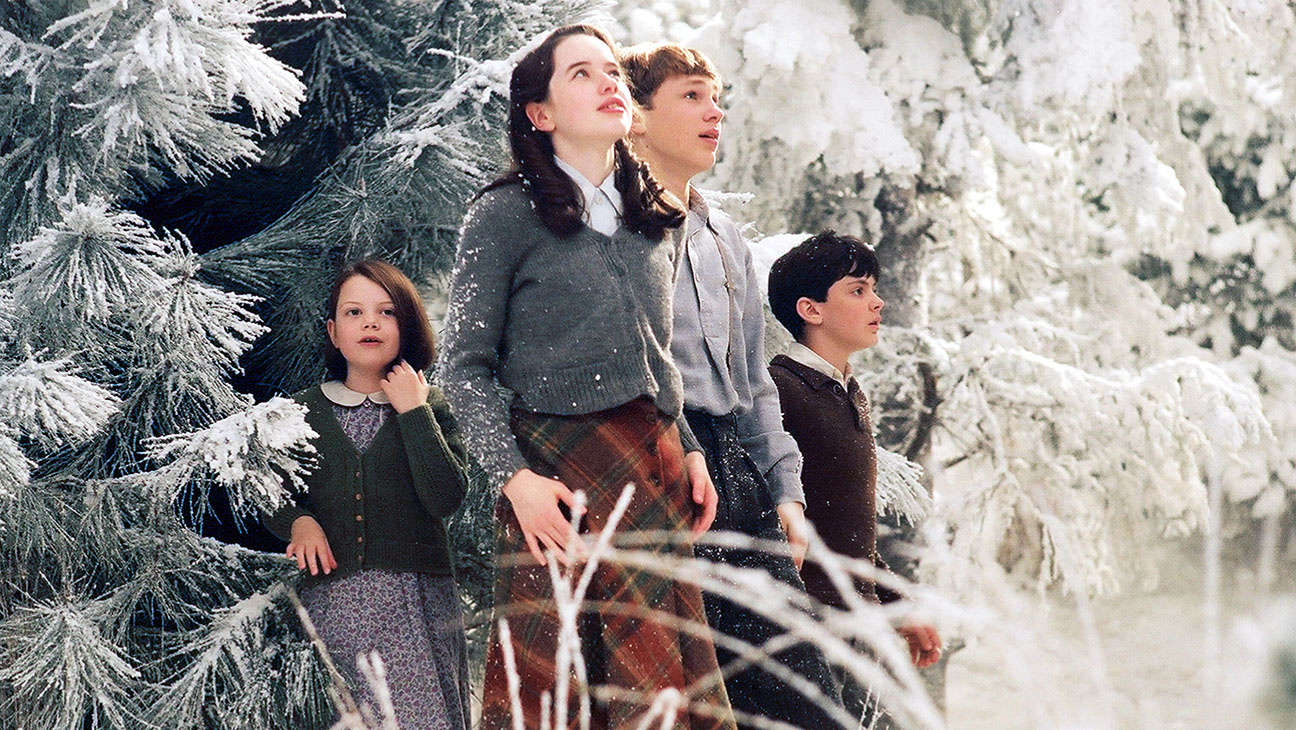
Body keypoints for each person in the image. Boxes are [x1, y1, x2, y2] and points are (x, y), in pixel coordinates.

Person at [438, 24, 735, 730]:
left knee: (662, 695)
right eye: (580, 74)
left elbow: (658, 360)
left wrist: (688, 445)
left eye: (611, 71)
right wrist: (516, 480)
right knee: (559, 701)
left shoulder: (659, 217)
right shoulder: (503, 216)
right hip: (559, 487)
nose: (608, 83)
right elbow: (462, 367)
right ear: (539, 115)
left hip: (655, 473)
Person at [622, 43, 843, 730]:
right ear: (635, 114)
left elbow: (752, 385)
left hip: (738, 480)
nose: (713, 111)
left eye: (716, 97)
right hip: (658, 472)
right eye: (691, 95)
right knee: (691, 701)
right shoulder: (612, 231)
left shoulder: (725, 240)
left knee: (804, 694)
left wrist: (787, 493)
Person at [263, 258, 471, 730]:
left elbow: (446, 497)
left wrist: (413, 412)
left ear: (408, 327)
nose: (371, 322)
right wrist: (299, 522)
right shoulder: (301, 410)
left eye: (387, 311)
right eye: (355, 313)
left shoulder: (428, 405)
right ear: (335, 333)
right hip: (331, 601)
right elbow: (269, 490)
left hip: (416, 601)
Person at [766, 231, 942, 722]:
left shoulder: (846, 392)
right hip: (810, 632)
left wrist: (899, 605)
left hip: (856, 627)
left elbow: (847, 536)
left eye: (874, 289)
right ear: (810, 309)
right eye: (858, 290)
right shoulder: (781, 392)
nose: (877, 302)